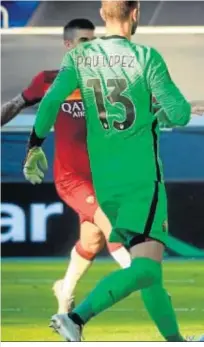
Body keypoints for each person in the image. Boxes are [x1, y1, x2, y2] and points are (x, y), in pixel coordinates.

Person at [24, 0, 204, 342]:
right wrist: (157, 112)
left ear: (103, 15)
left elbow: (49, 103)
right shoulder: (146, 58)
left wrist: (34, 145)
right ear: (135, 13)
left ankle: (176, 341)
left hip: (106, 181)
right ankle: (76, 317)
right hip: (142, 179)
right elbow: (179, 113)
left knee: (149, 270)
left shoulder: (79, 57)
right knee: (146, 267)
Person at [1, 18, 132, 315]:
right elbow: (15, 104)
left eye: (94, 39)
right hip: (71, 178)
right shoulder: (49, 80)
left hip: (103, 177)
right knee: (113, 227)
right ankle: (143, 278)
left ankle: (65, 294)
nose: (92, 46)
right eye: (84, 40)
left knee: (92, 239)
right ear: (69, 45)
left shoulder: (104, 80)